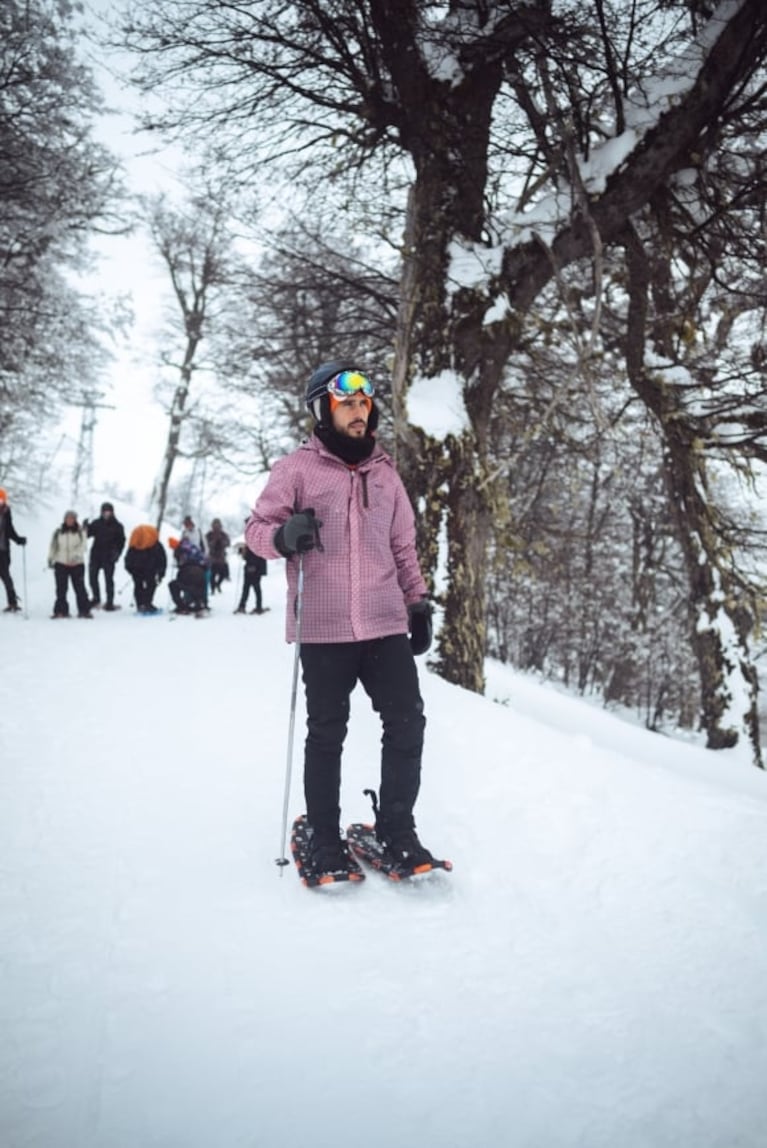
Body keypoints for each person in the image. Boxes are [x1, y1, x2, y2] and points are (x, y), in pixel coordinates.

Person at [246, 360, 435, 878]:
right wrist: (283, 538)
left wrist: (416, 601)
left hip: (383, 621)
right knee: (327, 732)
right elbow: (257, 530)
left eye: (364, 403)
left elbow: (402, 545)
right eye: (347, 403)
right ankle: (324, 838)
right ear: (324, 409)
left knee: (407, 723)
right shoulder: (296, 470)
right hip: (324, 626)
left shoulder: (387, 474)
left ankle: (397, 832)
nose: (359, 411)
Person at [48, 510, 92, 619]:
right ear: (64, 519)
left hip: (77, 564)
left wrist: (76, 555)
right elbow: (53, 546)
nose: (70, 520)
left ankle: (84, 610)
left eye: (72, 518)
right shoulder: (58, 532)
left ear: (75, 520)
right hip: (61, 563)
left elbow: (83, 546)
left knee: (80, 588)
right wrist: (50, 558)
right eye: (68, 518)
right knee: (61, 589)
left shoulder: (80, 531)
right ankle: (61, 611)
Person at [85, 501, 126, 610]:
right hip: (96, 554)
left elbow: (121, 541)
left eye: (109, 512)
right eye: (105, 512)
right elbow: (87, 535)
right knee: (92, 577)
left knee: (109, 580)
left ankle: (110, 602)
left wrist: (117, 553)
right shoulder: (97, 523)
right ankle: (96, 598)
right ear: (101, 512)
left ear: (112, 512)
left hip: (109, 556)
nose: (107, 514)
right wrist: (86, 527)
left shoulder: (118, 526)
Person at [124, 525, 167, 614]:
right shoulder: (156, 544)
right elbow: (162, 559)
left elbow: (128, 558)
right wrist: (161, 572)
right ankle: (147, 604)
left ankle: (141, 605)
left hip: (137, 569)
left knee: (139, 585)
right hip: (149, 569)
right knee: (151, 585)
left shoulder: (135, 544)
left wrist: (130, 569)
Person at [0, 488, 27, 613]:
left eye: (1, 499)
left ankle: (12, 602)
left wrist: (18, 540)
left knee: (6, 577)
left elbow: (9, 530)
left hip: (3, 550)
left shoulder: (6, 512)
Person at [167, 536, 208, 614]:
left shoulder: (180, 550)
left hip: (189, 573)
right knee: (196, 587)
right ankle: (199, 604)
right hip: (201, 572)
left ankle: (182, 606)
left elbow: (182, 566)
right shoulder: (193, 547)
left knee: (174, 585)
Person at [234, 530, 267, 614]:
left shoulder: (255, 540)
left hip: (255, 569)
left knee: (254, 588)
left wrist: (246, 555)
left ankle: (257, 607)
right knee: (249, 588)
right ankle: (245, 606)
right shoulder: (250, 540)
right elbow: (247, 556)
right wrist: (242, 551)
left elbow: (256, 556)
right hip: (251, 569)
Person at [205, 518, 231, 594]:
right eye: (215, 525)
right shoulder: (209, 534)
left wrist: (221, 542)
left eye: (218, 525)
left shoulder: (223, 534)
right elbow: (205, 543)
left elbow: (228, 543)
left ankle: (218, 584)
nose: (216, 527)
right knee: (212, 575)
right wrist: (212, 543)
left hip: (221, 557)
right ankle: (213, 589)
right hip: (212, 557)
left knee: (223, 574)